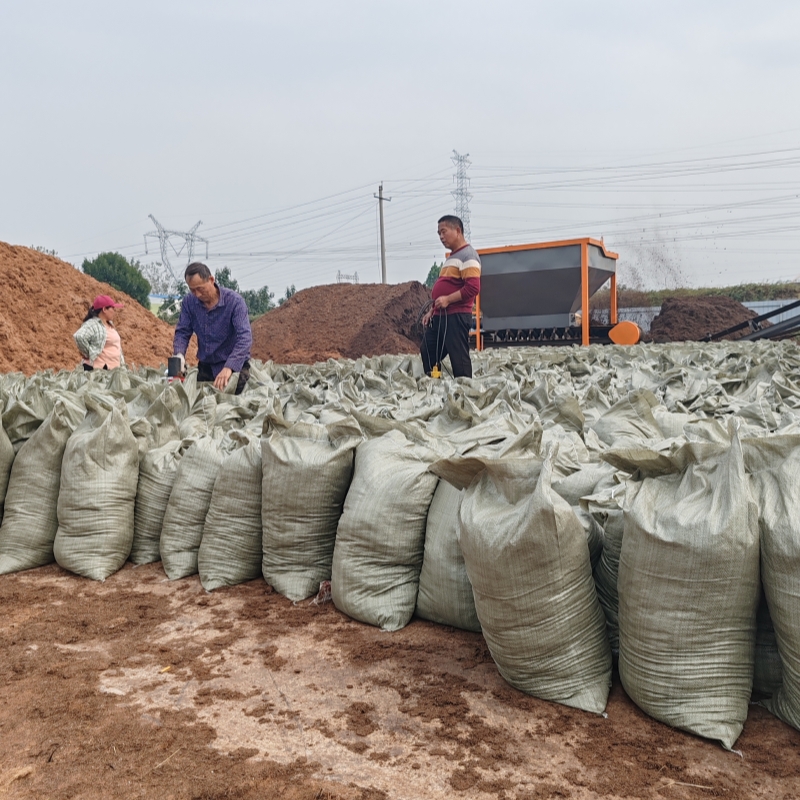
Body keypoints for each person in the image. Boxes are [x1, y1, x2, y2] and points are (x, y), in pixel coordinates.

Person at [172, 262, 253, 394]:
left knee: (232, 402)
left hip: (234, 367)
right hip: (206, 366)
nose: (197, 294)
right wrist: (179, 355)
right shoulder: (189, 302)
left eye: (200, 289)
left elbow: (244, 338)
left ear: (211, 280)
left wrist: (229, 367)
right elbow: (182, 332)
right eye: (192, 290)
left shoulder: (235, 302)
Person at [421, 215, 481, 378]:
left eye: (443, 232)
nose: (441, 237)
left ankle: (464, 393)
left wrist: (448, 299)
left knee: (458, 358)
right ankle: (435, 382)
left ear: (458, 231)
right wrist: (431, 311)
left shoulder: (468, 255)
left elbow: (473, 288)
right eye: (438, 233)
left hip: (456, 316)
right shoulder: (452, 258)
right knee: (428, 349)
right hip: (441, 316)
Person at [73, 295, 125, 371]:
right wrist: (89, 353)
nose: (114, 311)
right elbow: (79, 336)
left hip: (113, 370)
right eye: (112, 308)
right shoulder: (93, 324)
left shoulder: (110, 324)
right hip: (98, 371)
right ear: (104, 309)